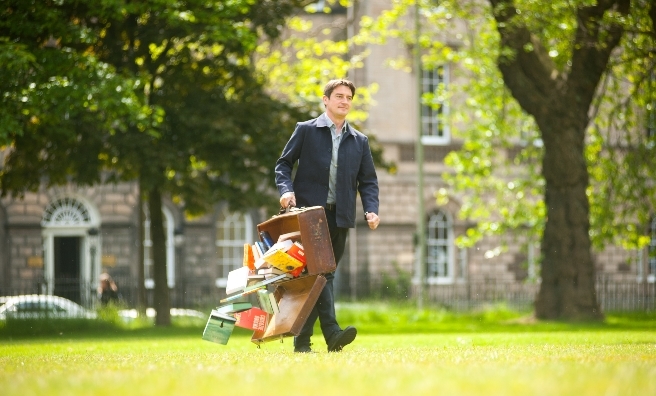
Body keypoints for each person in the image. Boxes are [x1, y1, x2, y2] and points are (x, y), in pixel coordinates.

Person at [275, 79, 380, 353]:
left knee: (318, 277)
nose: (344, 101)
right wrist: (286, 190)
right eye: (339, 96)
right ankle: (332, 334)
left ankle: (302, 341)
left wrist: (371, 208)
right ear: (326, 100)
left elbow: (368, 180)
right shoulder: (306, 131)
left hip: (341, 217)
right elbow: (283, 164)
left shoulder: (359, 141)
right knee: (324, 274)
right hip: (310, 216)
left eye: (348, 97)